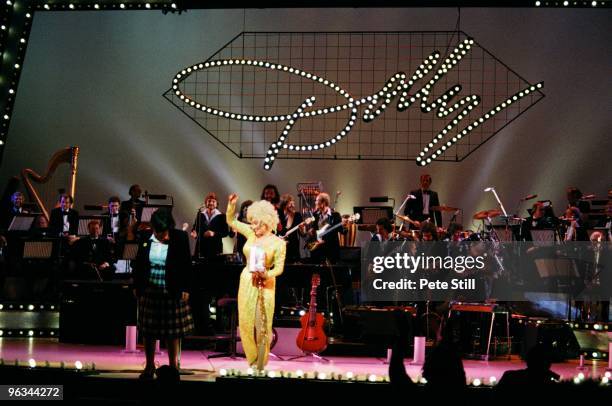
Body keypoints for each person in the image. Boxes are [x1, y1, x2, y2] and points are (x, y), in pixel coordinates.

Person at [226, 193, 287, 369]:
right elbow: (231, 221)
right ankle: (252, 361)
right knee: (245, 322)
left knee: (263, 326)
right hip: (246, 280)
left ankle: (261, 363)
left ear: (266, 221)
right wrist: (231, 205)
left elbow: (279, 268)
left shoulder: (278, 243)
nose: (252, 225)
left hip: (266, 284)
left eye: (255, 222)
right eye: (251, 221)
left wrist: (265, 275)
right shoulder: (251, 233)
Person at [132, 209, 194, 379]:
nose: (164, 236)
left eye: (166, 232)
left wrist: (186, 289)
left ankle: (173, 368)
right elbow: (139, 263)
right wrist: (137, 285)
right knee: (149, 330)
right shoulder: (145, 238)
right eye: (160, 233)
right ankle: (150, 366)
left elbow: (186, 265)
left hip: (171, 289)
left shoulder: (180, 237)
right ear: (153, 228)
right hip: (150, 289)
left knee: (172, 331)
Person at [306, 192, 347, 263]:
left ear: (323, 203)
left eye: (317, 200)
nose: (315, 202)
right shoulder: (315, 215)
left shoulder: (335, 215)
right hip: (318, 250)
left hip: (330, 250)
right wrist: (311, 231)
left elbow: (343, 232)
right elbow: (315, 231)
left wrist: (345, 225)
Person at [190, 192, 229, 260]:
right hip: (201, 248)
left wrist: (213, 234)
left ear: (217, 204)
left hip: (215, 248)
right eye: (209, 201)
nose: (211, 203)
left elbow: (225, 233)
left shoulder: (222, 216)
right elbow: (195, 228)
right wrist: (194, 233)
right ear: (205, 203)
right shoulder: (200, 214)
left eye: (213, 201)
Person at [278, 193, 305, 261]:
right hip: (280, 250)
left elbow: (303, 234)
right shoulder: (278, 215)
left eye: (293, 204)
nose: (293, 206)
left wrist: (302, 229)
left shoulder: (297, 215)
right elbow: (274, 232)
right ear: (284, 205)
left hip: (293, 250)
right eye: (290, 205)